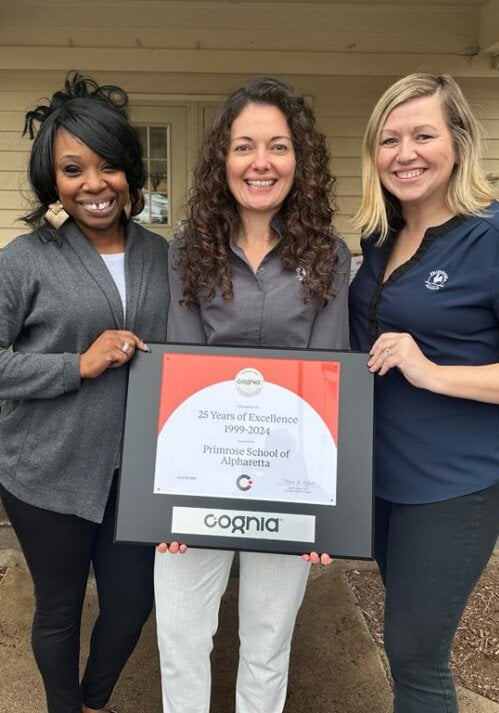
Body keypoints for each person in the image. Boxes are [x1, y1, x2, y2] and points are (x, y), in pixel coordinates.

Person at [348, 73, 499, 712]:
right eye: (389, 140)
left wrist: (432, 372)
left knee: (415, 655)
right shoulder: (382, 235)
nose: (405, 154)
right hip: (385, 473)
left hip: (458, 479)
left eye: (423, 135)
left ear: (458, 142)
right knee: (406, 628)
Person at [0, 72, 169, 713]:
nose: (94, 184)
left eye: (108, 166)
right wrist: (76, 366)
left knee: (132, 602)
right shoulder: (27, 259)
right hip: (45, 469)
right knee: (60, 606)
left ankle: (94, 699)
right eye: (73, 169)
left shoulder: (163, 256)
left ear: (129, 172)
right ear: (53, 179)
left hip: (136, 474)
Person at [154, 76, 351, 713]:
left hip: (289, 481)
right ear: (223, 159)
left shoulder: (329, 256)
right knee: (182, 637)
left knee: (267, 644)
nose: (260, 162)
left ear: (300, 160)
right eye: (244, 147)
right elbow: (180, 375)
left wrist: (328, 510)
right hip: (201, 477)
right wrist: (165, 503)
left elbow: (330, 380)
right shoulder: (188, 251)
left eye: (278, 146)